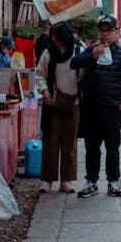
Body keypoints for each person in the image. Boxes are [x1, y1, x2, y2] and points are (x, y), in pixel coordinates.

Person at [70, 14, 121, 197]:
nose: (104, 35)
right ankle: (91, 181)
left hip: (112, 107)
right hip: (91, 106)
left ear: (116, 32)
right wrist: (91, 57)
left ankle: (114, 181)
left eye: (108, 31)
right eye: (101, 31)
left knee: (112, 147)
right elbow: (74, 63)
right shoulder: (92, 49)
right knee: (91, 147)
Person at [34, 23, 78, 193]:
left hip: (73, 103)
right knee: (50, 141)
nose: (54, 40)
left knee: (69, 142)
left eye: (57, 37)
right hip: (52, 101)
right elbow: (39, 74)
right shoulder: (48, 52)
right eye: (53, 36)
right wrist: (44, 89)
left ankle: (66, 179)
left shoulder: (78, 51)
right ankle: (47, 179)